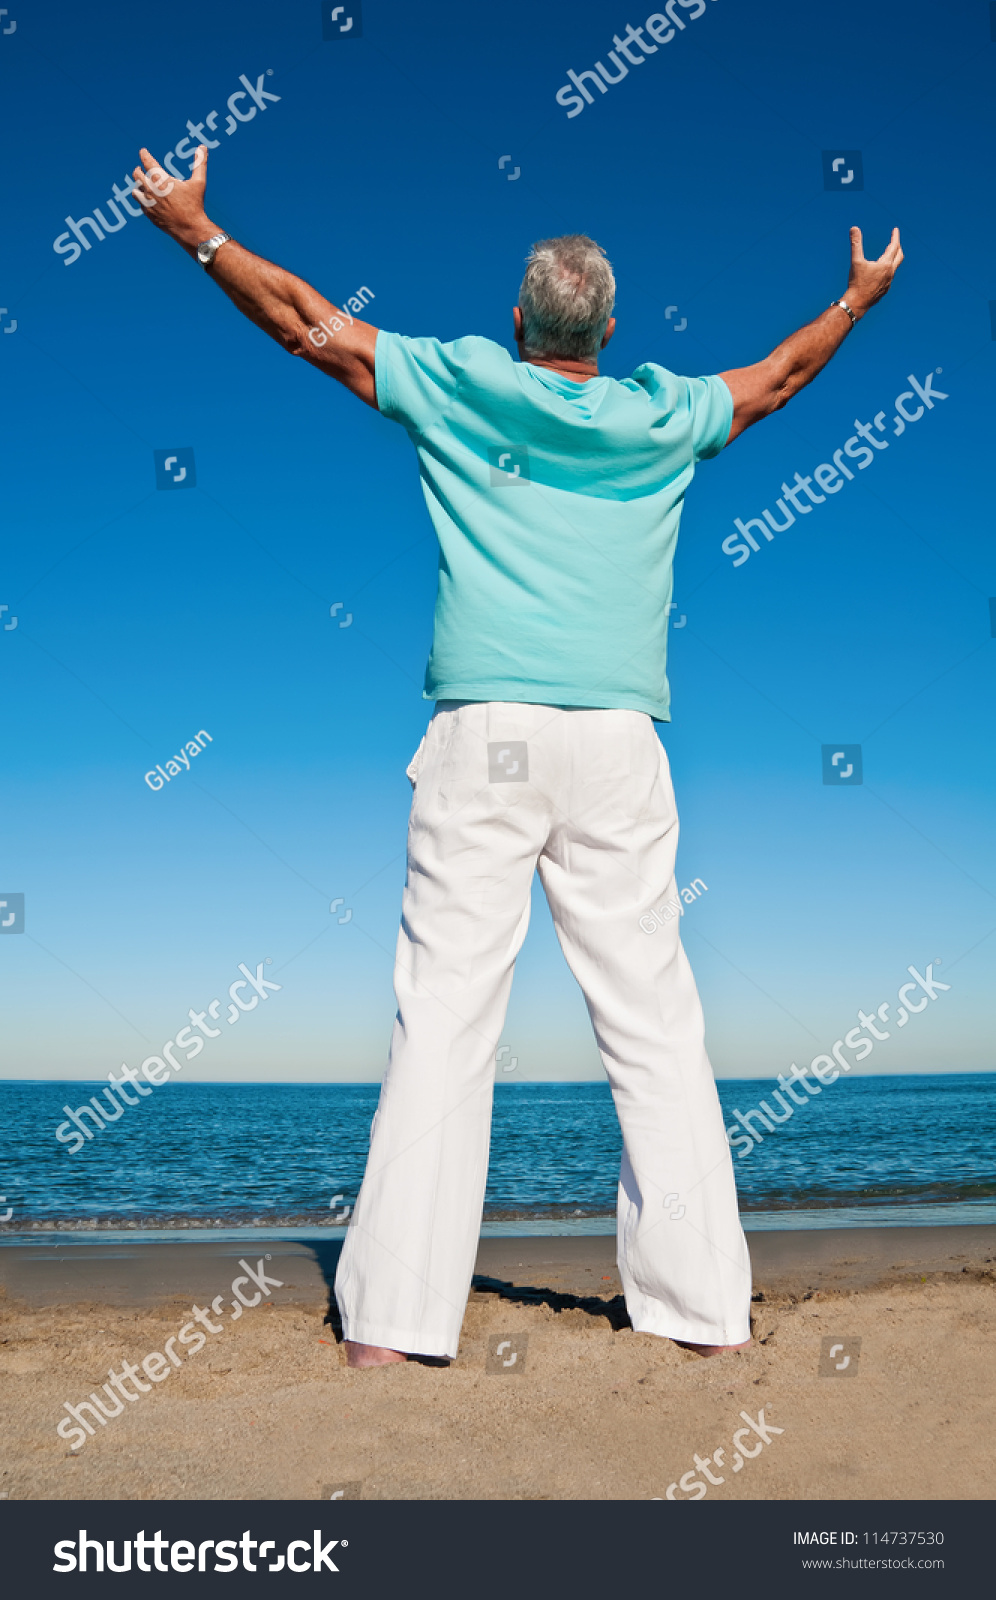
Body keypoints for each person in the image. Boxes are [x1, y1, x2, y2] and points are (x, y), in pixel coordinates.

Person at [131, 144, 902, 1368]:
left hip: (487, 732)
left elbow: (309, 325)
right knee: (653, 1022)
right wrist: (857, 301)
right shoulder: (662, 412)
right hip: (617, 745)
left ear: (518, 320)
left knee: (445, 1017)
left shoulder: (464, 381)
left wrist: (195, 229)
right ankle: (701, 1316)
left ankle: (390, 1327)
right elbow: (780, 381)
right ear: (611, 327)